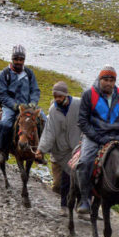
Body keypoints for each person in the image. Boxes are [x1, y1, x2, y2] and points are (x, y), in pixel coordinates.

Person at [75, 65, 119, 215]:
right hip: (95, 136)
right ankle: (85, 198)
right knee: (84, 161)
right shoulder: (88, 95)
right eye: (105, 79)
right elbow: (83, 121)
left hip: (118, 135)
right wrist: (97, 137)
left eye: (111, 80)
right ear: (100, 79)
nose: (108, 83)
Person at [36, 81, 81, 211]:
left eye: (59, 96)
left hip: (76, 148)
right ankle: (64, 204)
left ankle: (75, 204)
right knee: (61, 182)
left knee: (79, 178)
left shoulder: (78, 104)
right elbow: (49, 132)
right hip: (60, 151)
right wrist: (41, 149)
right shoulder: (53, 111)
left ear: (66, 95)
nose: (57, 99)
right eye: (55, 96)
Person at [0, 45, 40, 165]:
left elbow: (35, 90)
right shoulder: (5, 74)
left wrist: (33, 103)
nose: (19, 62)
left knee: (43, 120)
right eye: (16, 59)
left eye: (21, 59)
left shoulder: (29, 73)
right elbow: (2, 94)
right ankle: (2, 151)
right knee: (4, 124)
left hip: (27, 108)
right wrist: (13, 105)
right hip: (11, 107)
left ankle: (39, 151)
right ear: (12, 59)